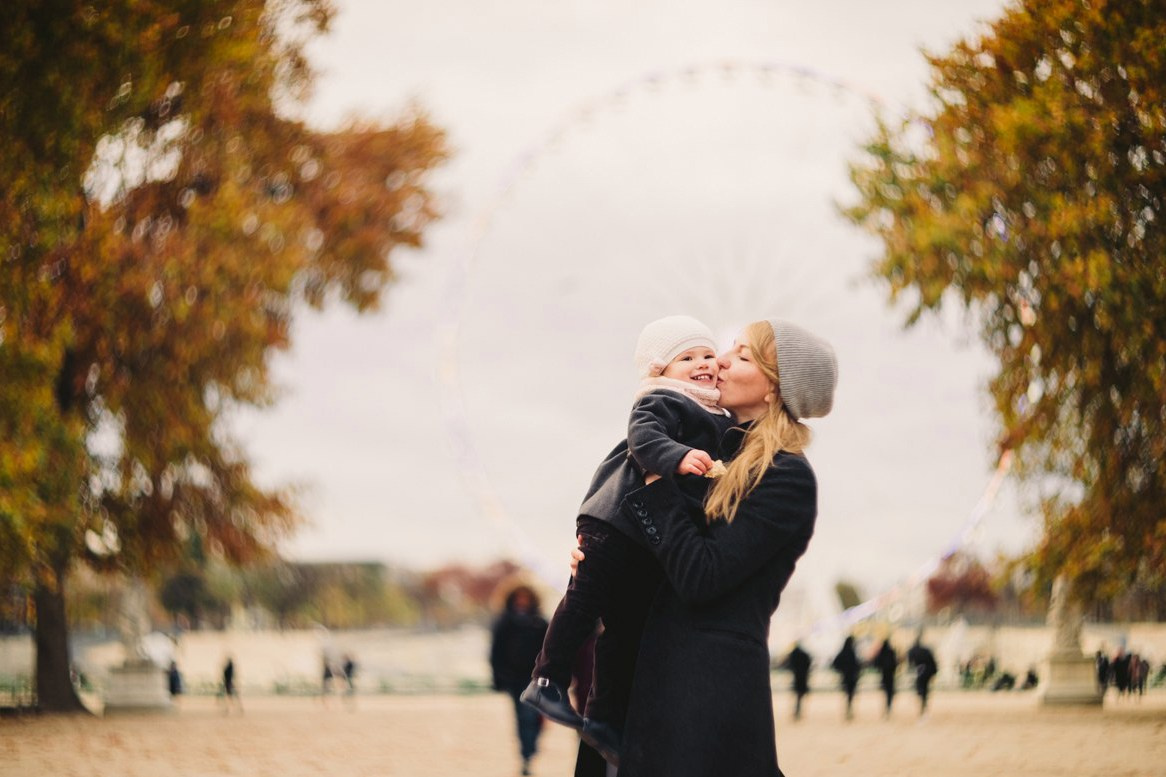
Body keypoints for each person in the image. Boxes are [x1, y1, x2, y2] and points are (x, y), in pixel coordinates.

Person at [572, 318, 837, 777]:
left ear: (775, 389)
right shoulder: (695, 446)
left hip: (700, 702)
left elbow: (701, 576)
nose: (722, 359)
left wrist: (655, 482)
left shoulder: (784, 477)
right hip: (632, 684)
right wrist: (597, 554)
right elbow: (651, 550)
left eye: (743, 355)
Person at [522, 315, 734, 763]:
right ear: (659, 369)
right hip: (614, 520)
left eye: (708, 355)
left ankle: (601, 722)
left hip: (645, 537)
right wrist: (678, 456)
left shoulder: (720, 415)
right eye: (688, 357)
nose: (704, 364)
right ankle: (547, 679)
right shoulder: (662, 399)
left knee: (617, 635)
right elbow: (644, 438)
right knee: (585, 599)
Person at [491, 583, 550, 777]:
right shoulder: (505, 623)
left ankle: (530, 748)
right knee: (523, 717)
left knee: (537, 717)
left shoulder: (541, 623)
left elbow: (552, 652)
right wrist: (499, 678)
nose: (522, 601)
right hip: (515, 679)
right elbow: (495, 652)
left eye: (525, 597)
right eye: (519, 597)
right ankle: (527, 754)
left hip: (537, 679)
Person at [906, 635, 938, 718]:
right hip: (928, 671)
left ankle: (923, 702)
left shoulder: (912, 651)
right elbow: (933, 662)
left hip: (922, 671)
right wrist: (934, 672)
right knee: (924, 689)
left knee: (921, 688)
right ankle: (923, 703)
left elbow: (910, 663)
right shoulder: (926, 650)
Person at [831, 635, 862, 721]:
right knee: (850, 694)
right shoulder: (853, 653)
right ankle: (849, 709)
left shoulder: (843, 652)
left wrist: (842, 670)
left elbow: (835, 664)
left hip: (845, 677)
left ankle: (848, 709)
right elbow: (857, 665)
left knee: (848, 694)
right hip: (852, 677)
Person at [781, 642, 812, 721]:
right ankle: (798, 711)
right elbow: (809, 663)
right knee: (800, 696)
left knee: (797, 696)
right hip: (803, 677)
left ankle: (797, 711)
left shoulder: (793, 655)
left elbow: (786, 664)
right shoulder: (804, 655)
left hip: (797, 678)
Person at [872, 638, 899, 718]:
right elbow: (895, 663)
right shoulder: (891, 652)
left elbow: (876, 663)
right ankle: (888, 707)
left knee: (886, 692)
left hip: (884, 676)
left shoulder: (882, 653)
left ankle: (887, 707)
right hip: (890, 676)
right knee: (890, 692)